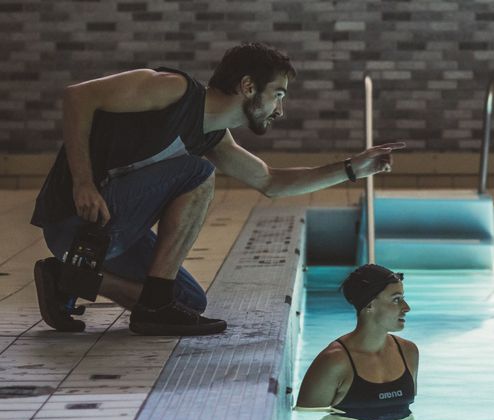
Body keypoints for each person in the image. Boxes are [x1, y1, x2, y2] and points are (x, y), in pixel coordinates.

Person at [31, 43, 405, 335]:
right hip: (75, 219)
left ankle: (69, 278)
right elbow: (78, 97)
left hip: (107, 235)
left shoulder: (212, 137)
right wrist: (82, 182)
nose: (280, 109)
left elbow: (270, 182)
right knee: (197, 172)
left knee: (188, 302)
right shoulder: (173, 90)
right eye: (278, 94)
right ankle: (152, 306)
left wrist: (351, 169)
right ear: (248, 86)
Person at [296, 264, 418, 420]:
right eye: (396, 300)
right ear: (370, 305)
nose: (406, 308)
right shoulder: (334, 362)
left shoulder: (408, 352)